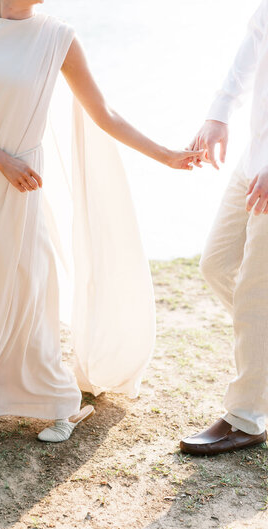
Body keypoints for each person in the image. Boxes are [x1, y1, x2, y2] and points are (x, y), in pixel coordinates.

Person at [0, 0, 201, 442]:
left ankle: (25, 402)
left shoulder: (58, 37)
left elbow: (104, 113)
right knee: (0, 285)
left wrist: (166, 155)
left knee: (7, 287)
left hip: (19, 180)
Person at [180, 0, 268, 455]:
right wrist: (219, 112)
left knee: (256, 294)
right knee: (216, 265)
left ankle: (247, 417)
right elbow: (250, 53)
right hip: (253, 160)